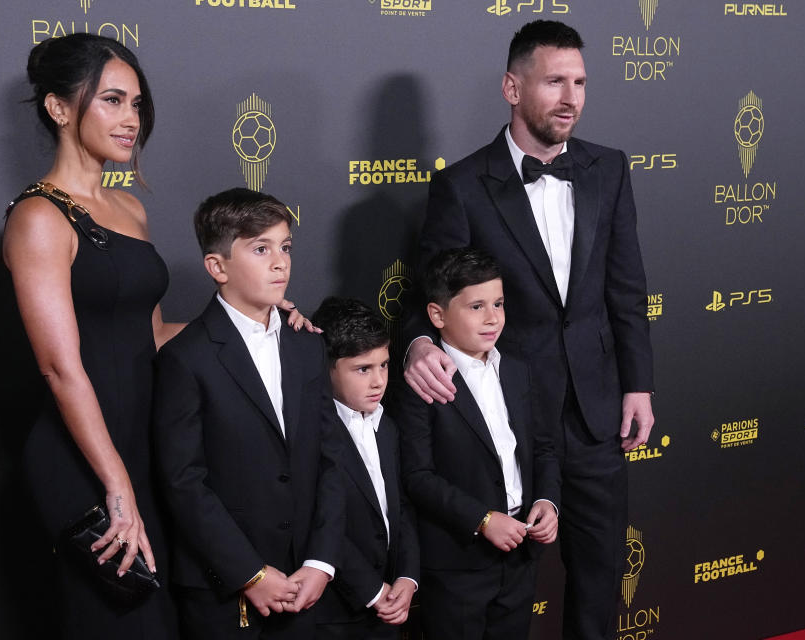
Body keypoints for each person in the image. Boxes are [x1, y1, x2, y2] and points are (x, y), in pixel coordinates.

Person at [402, 20, 655, 640]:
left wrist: (638, 385)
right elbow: (423, 294)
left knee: (599, 573)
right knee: (500, 587)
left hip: (595, 411)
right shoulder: (462, 184)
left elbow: (626, 288)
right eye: (554, 83)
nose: (571, 97)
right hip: (504, 418)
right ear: (513, 88)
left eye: (580, 83)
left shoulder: (609, 169)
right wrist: (415, 343)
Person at [3, 33, 181, 638]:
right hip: (85, 461)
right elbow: (60, 368)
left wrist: (253, 316)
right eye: (111, 101)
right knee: (117, 623)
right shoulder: (38, 217)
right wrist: (117, 484)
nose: (131, 119)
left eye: (136, 104)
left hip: (143, 443)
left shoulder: (130, 208)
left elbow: (151, 334)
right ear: (59, 108)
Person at [151, 188, 345, 640]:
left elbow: (332, 458)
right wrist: (250, 573)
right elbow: (182, 480)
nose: (281, 262)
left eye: (285, 246)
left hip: (305, 582)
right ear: (217, 267)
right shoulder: (186, 358)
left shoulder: (308, 345)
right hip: (224, 593)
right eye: (261, 249)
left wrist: (321, 561)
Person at [394, 247, 560, 640]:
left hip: (521, 553)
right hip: (458, 564)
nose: (493, 318)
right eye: (476, 307)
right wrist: (483, 519)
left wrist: (547, 501)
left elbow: (543, 447)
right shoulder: (424, 383)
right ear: (437, 315)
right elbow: (417, 476)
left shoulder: (518, 369)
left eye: (499, 304)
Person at [310, 297, 419, 640]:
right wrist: (372, 590)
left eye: (384, 365)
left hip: (389, 604)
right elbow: (323, 523)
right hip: (334, 613)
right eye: (363, 369)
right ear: (326, 367)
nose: (378, 381)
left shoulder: (387, 425)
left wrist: (407, 576)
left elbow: (401, 506)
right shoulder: (311, 433)